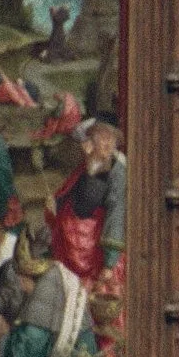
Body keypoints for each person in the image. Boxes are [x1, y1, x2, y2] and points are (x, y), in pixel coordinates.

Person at [48, 117, 125, 283]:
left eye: (111, 140)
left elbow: (116, 215)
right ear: (91, 141)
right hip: (72, 244)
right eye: (102, 139)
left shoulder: (117, 173)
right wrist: (56, 203)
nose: (107, 145)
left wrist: (109, 263)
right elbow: (73, 192)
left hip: (96, 250)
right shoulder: (89, 163)